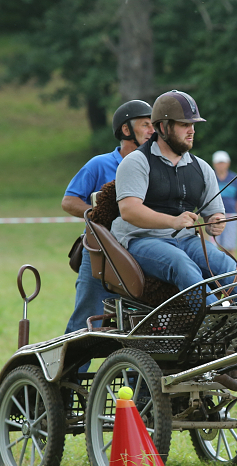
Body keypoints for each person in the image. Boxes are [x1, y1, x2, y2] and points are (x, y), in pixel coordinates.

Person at [111, 90, 237, 305]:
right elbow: (129, 210)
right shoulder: (136, 162)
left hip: (186, 240)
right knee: (181, 263)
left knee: (223, 263)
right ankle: (211, 320)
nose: (192, 131)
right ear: (162, 127)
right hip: (141, 240)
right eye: (184, 124)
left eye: (193, 124)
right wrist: (173, 221)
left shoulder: (202, 168)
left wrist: (216, 222)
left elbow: (214, 213)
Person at [63, 100, 155, 333]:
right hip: (99, 254)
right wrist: (99, 214)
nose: (152, 130)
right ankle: (73, 369)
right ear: (126, 130)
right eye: (145, 125)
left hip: (139, 251)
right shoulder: (99, 164)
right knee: (86, 320)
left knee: (142, 322)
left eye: (153, 125)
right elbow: (69, 201)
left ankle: (132, 368)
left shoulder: (155, 167)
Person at [210, 150, 237, 255]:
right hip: (213, 217)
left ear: (228, 163)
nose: (221, 165)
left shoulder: (234, 178)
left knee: (230, 245)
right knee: (214, 246)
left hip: (231, 216)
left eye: (223, 162)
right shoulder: (210, 177)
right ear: (214, 164)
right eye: (219, 163)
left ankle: (233, 270)